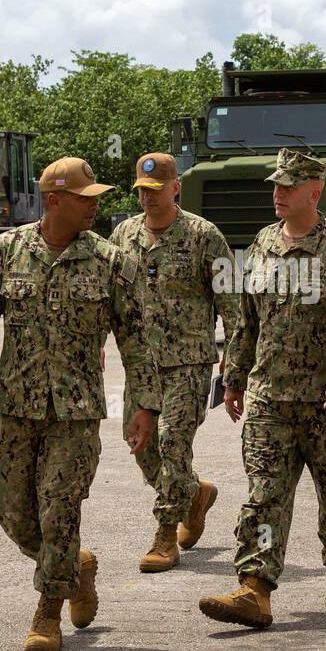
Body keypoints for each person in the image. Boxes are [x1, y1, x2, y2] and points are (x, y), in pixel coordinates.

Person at [0, 157, 159, 651]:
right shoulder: (3, 253)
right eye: (85, 199)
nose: (94, 206)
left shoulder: (112, 263)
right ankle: (75, 567)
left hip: (76, 410)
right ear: (54, 201)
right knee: (15, 514)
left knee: (59, 510)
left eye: (96, 198)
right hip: (16, 407)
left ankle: (46, 612)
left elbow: (137, 338)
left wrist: (145, 405)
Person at [198, 148, 326, 628]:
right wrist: (233, 378)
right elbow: (246, 320)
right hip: (269, 398)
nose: (277, 194)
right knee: (264, 493)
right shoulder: (261, 243)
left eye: (287, 187)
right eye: (275, 186)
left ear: (314, 192)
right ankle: (253, 588)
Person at [109, 152, 239, 572]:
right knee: (142, 448)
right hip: (140, 367)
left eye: (156, 190)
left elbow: (232, 305)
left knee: (172, 444)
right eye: (141, 191)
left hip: (189, 362)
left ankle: (165, 536)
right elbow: (107, 297)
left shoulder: (205, 236)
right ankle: (195, 494)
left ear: (175, 188)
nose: (147, 198)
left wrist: (232, 364)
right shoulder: (123, 235)